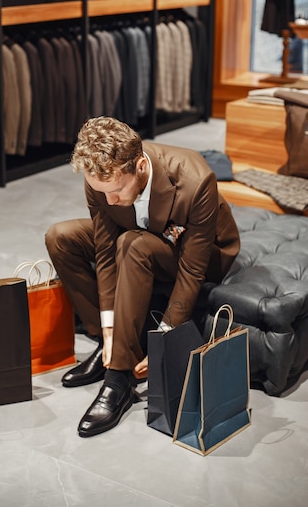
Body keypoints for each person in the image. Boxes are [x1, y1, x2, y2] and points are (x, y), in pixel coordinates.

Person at [45, 116, 240, 438]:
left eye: (117, 190)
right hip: (141, 233)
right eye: (101, 192)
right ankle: (108, 344)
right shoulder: (102, 174)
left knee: (132, 244)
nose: (109, 201)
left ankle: (118, 380)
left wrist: (164, 341)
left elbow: (193, 269)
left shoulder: (195, 179)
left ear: (139, 167)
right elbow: (104, 249)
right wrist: (108, 329)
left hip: (200, 254)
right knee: (60, 236)